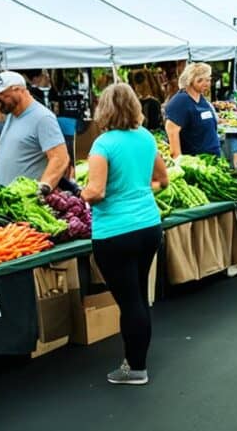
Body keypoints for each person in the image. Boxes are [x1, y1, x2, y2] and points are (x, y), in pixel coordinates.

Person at [80, 83, 168, 386]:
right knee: (139, 295)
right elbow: (163, 180)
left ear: (104, 109)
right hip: (148, 226)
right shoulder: (146, 138)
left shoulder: (102, 145)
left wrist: (81, 193)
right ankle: (134, 359)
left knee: (129, 300)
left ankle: (136, 367)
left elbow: (96, 191)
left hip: (115, 232)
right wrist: (140, 191)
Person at [0, 72, 69, 190]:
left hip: (25, 202)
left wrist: (43, 189)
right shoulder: (12, 115)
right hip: (7, 200)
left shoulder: (42, 118)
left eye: (1, 94)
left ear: (18, 90)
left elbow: (60, 158)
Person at [164, 63, 221, 159]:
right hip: (196, 162)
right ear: (190, 80)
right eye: (201, 80)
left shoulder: (202, 100)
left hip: (212, 159)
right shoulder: (181, 101)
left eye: (208, 80)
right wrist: (178, 161)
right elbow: (172, 131)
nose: (207, 84)